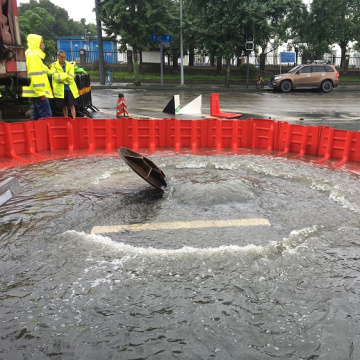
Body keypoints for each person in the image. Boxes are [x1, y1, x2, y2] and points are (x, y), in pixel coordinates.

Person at [22, 34, 53, 120]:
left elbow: (44, 69)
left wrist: (53, 70)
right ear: (37, 44)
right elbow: (35, 75)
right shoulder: (33, 56)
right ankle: (44, 133)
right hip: (39, 92)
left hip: (36, 92)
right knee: (46, 116)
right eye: (42, 42)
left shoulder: (32, 55)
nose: (44, 45)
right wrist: (41, 92)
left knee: (36, 116)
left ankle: (36, 133)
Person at [49, 50, 79, 119]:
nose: (63, 59)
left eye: (64, 57)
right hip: (60, 90)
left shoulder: (70, 65)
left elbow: (71, 77)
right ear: (58, 57)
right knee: (63, 106)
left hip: (69, 88)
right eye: (62, 57)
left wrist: (61, 77)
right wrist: (66, 75)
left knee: (72, 105)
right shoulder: (53, 65)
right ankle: (66, 119)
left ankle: (74, 119)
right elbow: (55, 77)